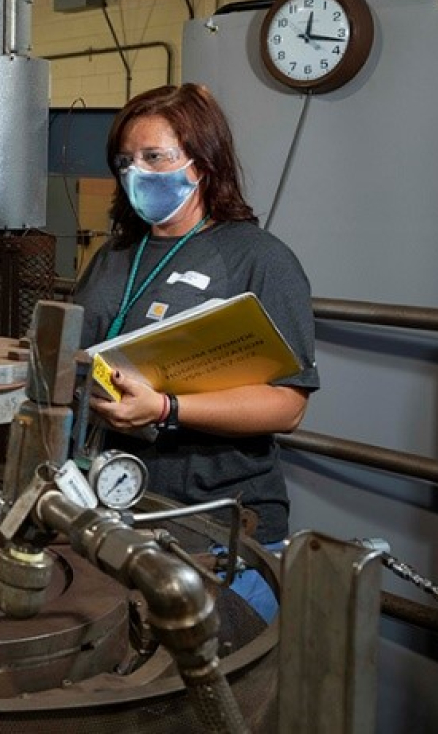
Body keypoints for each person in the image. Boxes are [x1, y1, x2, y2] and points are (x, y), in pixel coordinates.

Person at [72, 83, 318, 622]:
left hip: (218, 530)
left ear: (202, 164)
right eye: (126, 161)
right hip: (118, 512)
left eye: (155, 157)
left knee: (214, 688)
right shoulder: (114, 256)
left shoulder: (258, 259)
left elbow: (288, 405)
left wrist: (166, 408)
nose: (137, 172)